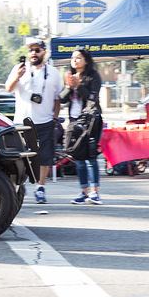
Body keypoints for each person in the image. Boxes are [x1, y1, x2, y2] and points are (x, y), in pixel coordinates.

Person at [5, 37, 62, 204]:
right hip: (22, 122)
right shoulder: (19, 68)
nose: (34, 53)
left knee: (44, 158)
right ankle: (16, 187)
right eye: (31, 50)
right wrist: (17, 76)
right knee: (17, 157)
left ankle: (40, 188)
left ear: (44, 52)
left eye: (37, 50)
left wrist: (55, 118)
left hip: (45, 122)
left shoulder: (53, 72)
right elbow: (8, 88)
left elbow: (58, 98)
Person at [61, 49, 104, 205]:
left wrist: (78, 86)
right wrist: (69, 86)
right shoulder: (70, 77)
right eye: (73, 58)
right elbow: (62, 99)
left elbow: (92, 98)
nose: (75, 60)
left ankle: (95, 192)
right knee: (78, 159)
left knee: (91, 157)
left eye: (79, 58)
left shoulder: (93, 76)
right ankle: (84, 191)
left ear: (86, 60)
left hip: (90, 120)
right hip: (74, 121)